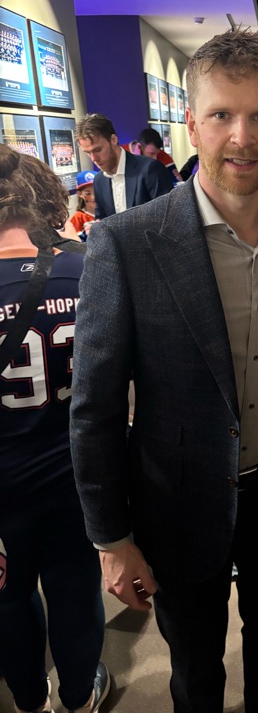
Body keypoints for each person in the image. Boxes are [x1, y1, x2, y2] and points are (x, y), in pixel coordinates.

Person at [69, 28, 258, 713]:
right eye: (221, 115)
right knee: (193, 672)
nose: (241, 137)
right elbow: (96, 407)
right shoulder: (126, 243)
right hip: (175, 502)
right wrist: (111, 537)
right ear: (191, 124)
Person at [0, 145, 109, 713]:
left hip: (3, 489)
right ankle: (79, 694)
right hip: (74, 477)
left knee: (7, 598)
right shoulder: (87, 269)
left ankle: (27, 698)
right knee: (74, 589)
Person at [75, 113, 173, 220]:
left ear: (113, 140)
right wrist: (96, 227)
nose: (93, 158)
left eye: (98, 150)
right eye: (88, 153)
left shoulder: (151, 169)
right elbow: (102, 219)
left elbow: (168, 219)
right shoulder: (99, 180)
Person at [69, 171, 97, 240]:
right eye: (87, 194)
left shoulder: (108, 211)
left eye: (96, 191)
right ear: (80, 194)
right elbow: (76, 242)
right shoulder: (78, 218)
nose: (93, 197)